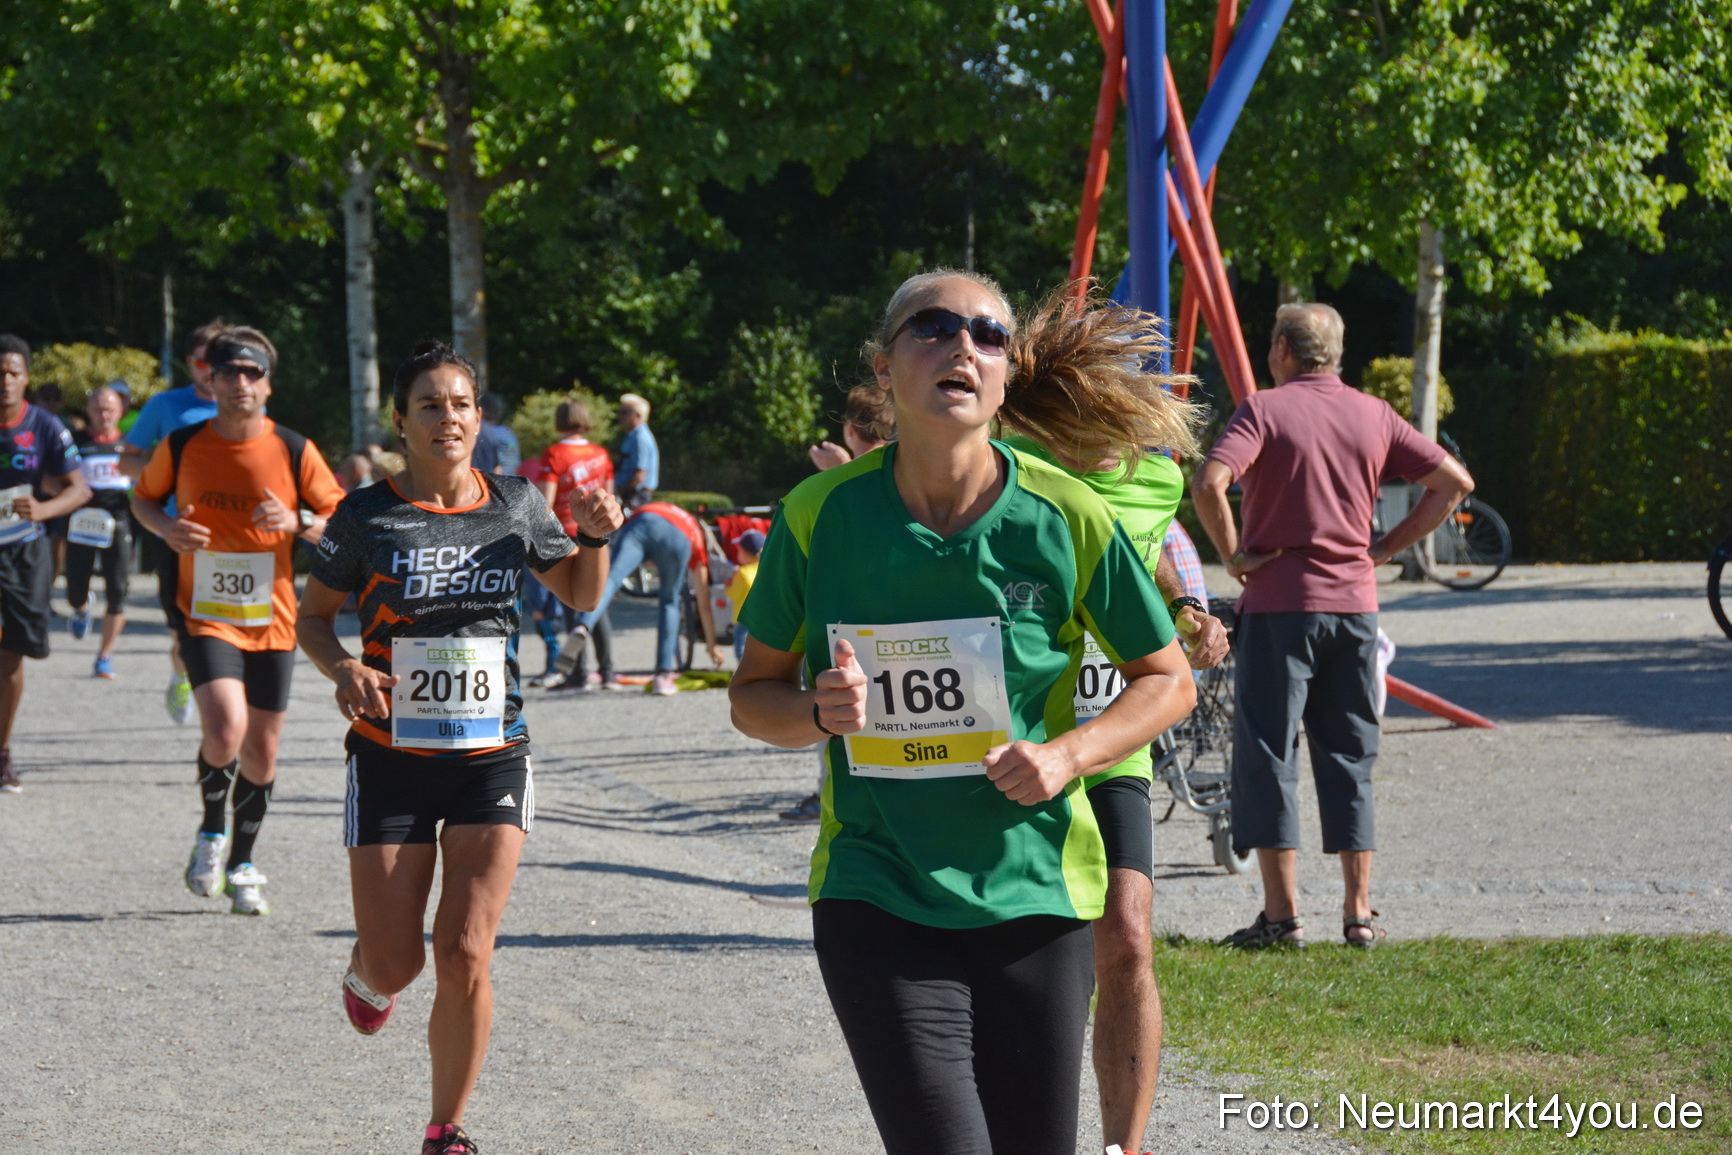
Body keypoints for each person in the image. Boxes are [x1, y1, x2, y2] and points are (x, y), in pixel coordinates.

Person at [729, 271, 1197, 1155]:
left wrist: (1065, 755)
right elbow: (753, 699)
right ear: (884, 364)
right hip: (878, 889)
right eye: (932, 327)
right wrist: (818, 714)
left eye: (987, 334)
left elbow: (1167, 680)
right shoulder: (819, 514)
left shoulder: (1065, 514)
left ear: (1007, 374)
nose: (962, 346)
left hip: (1035, 891)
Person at [297, 340, 623, 1155]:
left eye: (462, 404)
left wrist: (592, 538)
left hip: (491, 752)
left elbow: (580, 595)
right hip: (389, 755)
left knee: (467, 947)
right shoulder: (365, 515)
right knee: (399, 962)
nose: (448, 418)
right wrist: (345, 666)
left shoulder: (515, 502)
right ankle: (370, 960)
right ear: (402, 421)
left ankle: (447, 1127)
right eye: (431, 405)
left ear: (481, 419)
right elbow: (311, 615)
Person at [1191, 303, 1474, 949]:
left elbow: (1210, 481)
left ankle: (1282, 916)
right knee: (1351, 754)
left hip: (1280, 607)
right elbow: (1452, 482)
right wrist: (1382, 548)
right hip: (1354, 607)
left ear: (1284, 350)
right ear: (1336, 355)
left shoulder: (1264, 409)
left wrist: (1234, 554)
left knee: (1268, 753)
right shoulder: (1374, 413)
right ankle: (1359, 913)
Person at [1005, 362, 1229, 1152]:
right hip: (1020, 739)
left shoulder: (1158, 476)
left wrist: (1186, 609)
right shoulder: (1014, 461)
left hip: (1112, 735)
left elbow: (1153, 547)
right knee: (1034, 956)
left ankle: (1122, 1147)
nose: (1110, 433)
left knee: (1128, 934)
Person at [131, 326, 344, 915]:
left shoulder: (295, 450)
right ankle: (210, 832)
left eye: (252, 373)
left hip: (272, 620)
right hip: (206, 614)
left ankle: (244, 862)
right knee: (225, 728)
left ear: (268, 385)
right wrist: (165, 528)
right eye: (229, 372)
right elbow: (142, 499)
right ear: (211, 379)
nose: (240, 382)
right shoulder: (182, 444)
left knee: (262, 753)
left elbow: (342, 522)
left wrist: (297, 519)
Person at [121, 318, 227, 724]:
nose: (210, 371)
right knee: (184, 633)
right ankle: (182, 673)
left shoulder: (246, 403)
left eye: (219, 361)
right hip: (177, 533)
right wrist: (174, 465)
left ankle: (223, 700)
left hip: (234, 537)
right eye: (202, 362)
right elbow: (125, 462)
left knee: (227, 627)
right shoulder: (166, 405)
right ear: (189, 363)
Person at [0, 335, 92, 793]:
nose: (5, 381)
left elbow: (79, 489)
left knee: (11, 655)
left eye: (13, 372)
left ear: (26, 378)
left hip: (24, 547)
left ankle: (2, 752)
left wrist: (42, 509)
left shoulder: (45, 426)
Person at [569, 500, 719, 695]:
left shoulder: (663, 505)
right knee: (669, 602)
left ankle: (582, 625)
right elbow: (703, 600)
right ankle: (663, 676)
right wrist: (712, 645)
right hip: (678, 537)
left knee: (611, 580)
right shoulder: (696, 534)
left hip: (642, 520)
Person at [535, 397, 622, 691]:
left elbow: (544, 502)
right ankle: (608, 673)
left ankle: (578, 675)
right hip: (597, 533)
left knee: (574, 601)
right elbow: (609, 499)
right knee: (597, 604)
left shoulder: (554, 454)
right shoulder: (600, 453)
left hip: (566, 534)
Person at [67, 383, 135, 678]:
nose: (104, 413)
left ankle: (104, 656)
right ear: (89, 410)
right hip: (81, 523)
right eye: (98, 407)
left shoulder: (131, 445)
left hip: (119, 521)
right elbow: (55, 476)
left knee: (118, 590)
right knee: (74, 588)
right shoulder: (75, 441)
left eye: (109, 408)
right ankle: (81, 608)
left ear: (120, 411)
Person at [807, 382, 894, 471]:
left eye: (845, 419)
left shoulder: (862, 469)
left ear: (851, 429)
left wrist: (843, 469)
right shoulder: (895, 461)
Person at [724, 528, 763, 660]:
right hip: (761, 619)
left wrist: (728, 585)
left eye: (739, 549)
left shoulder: (741, 573)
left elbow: (733, 594)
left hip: (743, 619)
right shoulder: (764, 570)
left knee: (741, 650)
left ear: (746, 553)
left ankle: (744, 675)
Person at [614, 392, 658, 509]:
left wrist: (620, 494)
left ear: (638, 416)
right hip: (632, 494)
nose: (620, 416)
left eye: (624, 412)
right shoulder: (631, 436)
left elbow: (639, 476)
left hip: (635, 496)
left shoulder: (640, 438)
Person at [477, 393, 521, 475]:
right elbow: (516, 464)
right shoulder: (508, 433)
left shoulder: (482, 433)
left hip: (491, 482)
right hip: (512, 481)